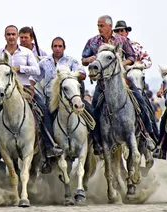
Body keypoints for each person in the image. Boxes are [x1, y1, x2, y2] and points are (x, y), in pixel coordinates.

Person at [0, 25, 63, 171]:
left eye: (13, 34)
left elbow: (36, 70)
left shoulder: (26, 52)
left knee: (43, 109)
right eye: (8, 34)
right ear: (5, 36)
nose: (11, 37)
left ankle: (49, 146)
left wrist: (20, 69)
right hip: (4, 91)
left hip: (25, 88)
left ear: (17, 36)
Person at [81, 15, 157, 154]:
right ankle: (97, 142)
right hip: (102, 83)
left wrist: (121, 64)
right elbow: (83, 59)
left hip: (122, 80)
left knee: (141, 102)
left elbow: (132, 57)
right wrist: (88, 59)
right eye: (98, 25)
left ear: (110, 26)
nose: (99, 28)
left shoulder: (121, 40)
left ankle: (147, 135)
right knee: (93, 110)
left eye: (102, 25)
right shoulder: (92, 42)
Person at [37, 36, 88, 173]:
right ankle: (49, 150)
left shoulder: (71, 61)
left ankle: (96, 142)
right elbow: (35, 77)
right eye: (55, 46)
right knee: (43, 121)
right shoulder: (44, 62)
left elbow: (83, 74)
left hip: (71, 100)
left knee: (91, 112)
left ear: (64, 48)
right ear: (52, 47)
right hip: (51, 100)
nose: (57, 49)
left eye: (60, 46)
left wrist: (71, 75)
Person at [113, 20, 159, 145]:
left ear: (127, 32)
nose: (120, 33)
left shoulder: (135, 45)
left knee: (147, 108)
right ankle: (99, 140)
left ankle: (153, 138)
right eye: (117, 31)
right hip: (116, 84)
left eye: (122, 30)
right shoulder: (112, 47)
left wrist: (137, 66)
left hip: (135, 83)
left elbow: (148, 60)